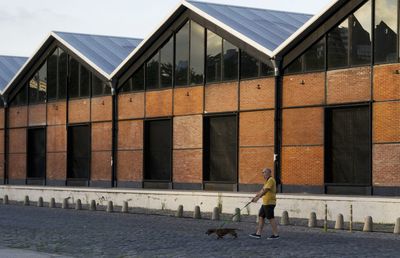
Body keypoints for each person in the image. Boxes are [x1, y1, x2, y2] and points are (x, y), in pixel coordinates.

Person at [249, 168, 279, 239]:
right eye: (262, 172)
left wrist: (257, 198)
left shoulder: (271, 180)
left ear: (269, 173)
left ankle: (276, 235)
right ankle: (258, 233)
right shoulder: (267, 181)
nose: (263, 174)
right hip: (265, 203)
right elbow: (262, 190)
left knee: (271, 218)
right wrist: (256, 196)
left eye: (264, 172)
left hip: (269, 203)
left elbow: (265, 190)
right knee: (261, 216)